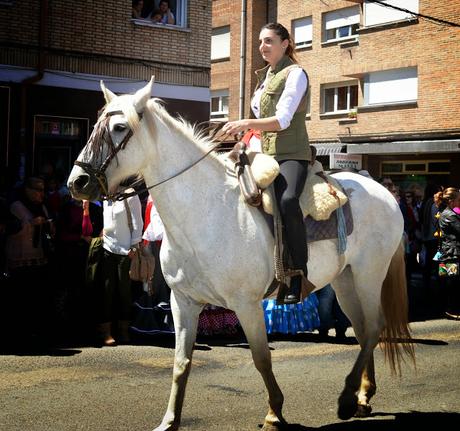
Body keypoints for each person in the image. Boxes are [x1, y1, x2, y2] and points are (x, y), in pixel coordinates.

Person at [222, 22, 314, 304]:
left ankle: (298, 274)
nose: (263, 46)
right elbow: (260, 124)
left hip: (292, 154)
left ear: (286, 43)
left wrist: (245, 122)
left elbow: (283, 120)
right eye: (261, 41)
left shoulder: (295, 74)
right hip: (262, 151)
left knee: (287, 200)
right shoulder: (266, 77)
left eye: (269, 41)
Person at [4, 177, 55, 341]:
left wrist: (49, 225)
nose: (41, 193)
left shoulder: (43, 206)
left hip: (40, 259)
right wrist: (32, 223)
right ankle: (18, 333)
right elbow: (8, 228)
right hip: (19, 260)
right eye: (38, 190)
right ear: (27, 190)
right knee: (20, 297)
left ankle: (35, 331)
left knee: (36, 297)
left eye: (43, 190)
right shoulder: (15, 206)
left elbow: (51, 231)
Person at [98, 186, 143, 346]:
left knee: (124, 292)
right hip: (107, 248)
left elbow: (138, 221)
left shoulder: (130, 194)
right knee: (107, 290)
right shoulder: (105, 196)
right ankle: (106, 331)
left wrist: (134, 245)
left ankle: (123, 330)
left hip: (126, 251)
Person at [433, 187, 460, 319]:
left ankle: (444, 309)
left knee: (446, 283)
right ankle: (450, 310)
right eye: (459, 199)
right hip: (452, 254)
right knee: (451, 284)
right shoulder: (450, 215)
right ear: (451, 201)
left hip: (446, 252)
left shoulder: (444, 213)